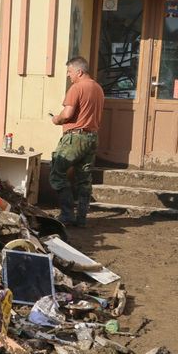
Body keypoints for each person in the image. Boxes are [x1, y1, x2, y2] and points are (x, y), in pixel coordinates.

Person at [49, 55, 105, 226]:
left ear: (79, 72)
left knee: (57, 172)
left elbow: (67, 115)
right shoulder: (98, 88)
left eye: (69, 71)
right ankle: (81, 218)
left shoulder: (77, 88)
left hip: (75, 138)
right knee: (84, 179)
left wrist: (56, 119)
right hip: (91, 137)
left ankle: (66, 215)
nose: (68, 75)